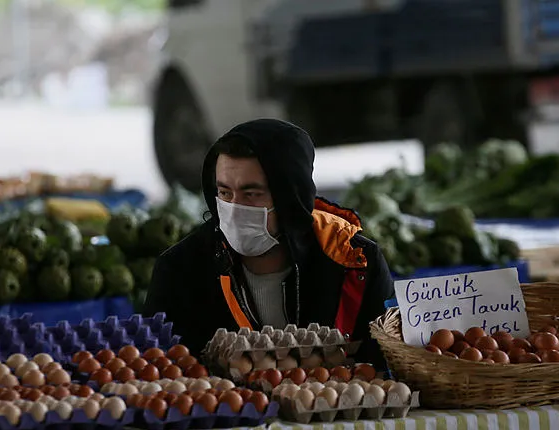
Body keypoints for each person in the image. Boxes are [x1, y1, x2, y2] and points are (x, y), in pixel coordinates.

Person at [143, 119, 394, 364]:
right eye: (224, 192)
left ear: (290, 199)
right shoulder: (180, 270)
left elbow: (387, 363)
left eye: (251, 194)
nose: (234, 208)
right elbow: (159, 373)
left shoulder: (354, 263)